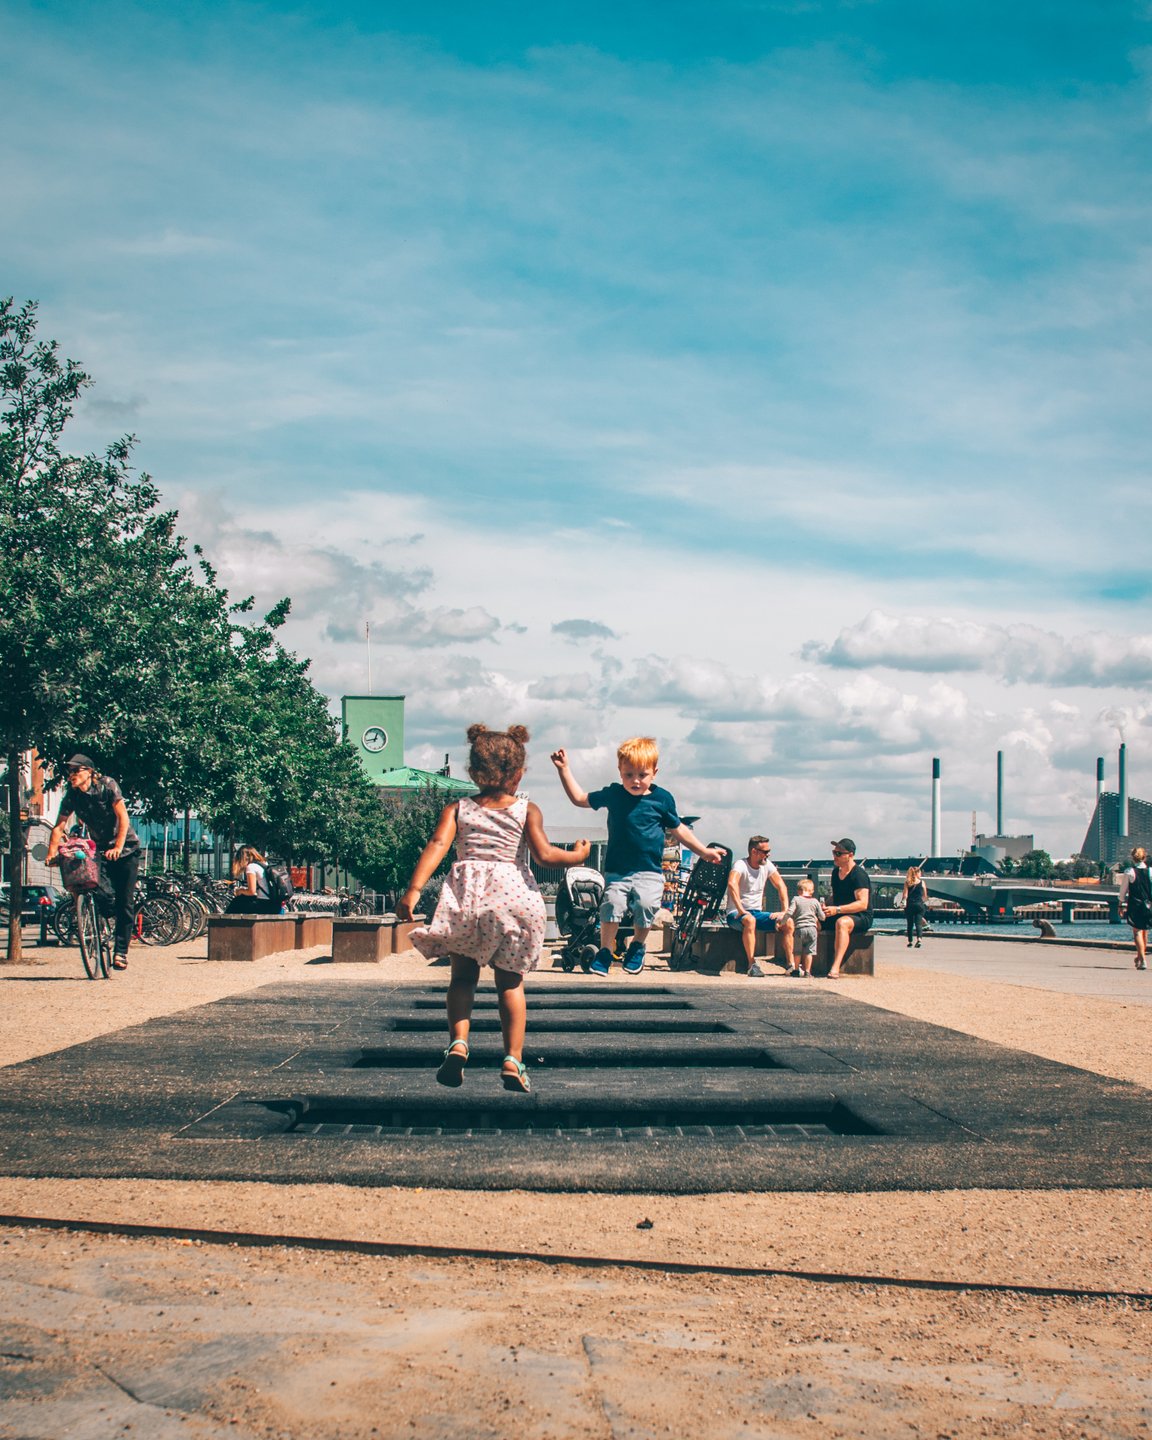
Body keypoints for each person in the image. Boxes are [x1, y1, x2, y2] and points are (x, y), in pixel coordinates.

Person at [398, 724, 590, 1093]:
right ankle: (512, 1059)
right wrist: (578, 855)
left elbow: (438, 844)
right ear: (518, 774)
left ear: (473, 773)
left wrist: (413, 890)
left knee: (462, 979)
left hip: (468, 900)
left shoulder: (458, 809)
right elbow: (545, 855)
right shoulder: (526, 809)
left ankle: (458, 1043)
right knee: (510, 984)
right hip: (512, 900)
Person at [550, 737, 724, 976]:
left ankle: (638, 947)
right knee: (611, 905)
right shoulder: (614, 794)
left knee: (646, 905)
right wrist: (564, 769)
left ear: (654, 773)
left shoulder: (662, 799)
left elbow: (679, 829)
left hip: (649, 870)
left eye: (642, 775)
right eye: (628, 775)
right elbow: (579, 798)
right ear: (620, 772)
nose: (635, 781)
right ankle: (604, 951)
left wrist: (704, 851)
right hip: (618, 869)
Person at [45, 755, 141, 971]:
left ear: (89, 771)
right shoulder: (72, 796)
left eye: (76, 771)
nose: (72, 776)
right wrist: (52, 853)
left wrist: (118, 846)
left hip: (127, 850)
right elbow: (59, 826)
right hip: (99, 849)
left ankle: (121, 952)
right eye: (69, 772)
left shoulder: (107, 785)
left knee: (124, 902)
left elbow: (123, 817)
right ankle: (104, 918)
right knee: (96, 887)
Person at [725, 835, 789, 975]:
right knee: (750, 920)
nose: (768, 854)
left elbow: (781, 885)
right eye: (765, 852)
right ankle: (752, 964)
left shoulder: (767, 865)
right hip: (736, 913)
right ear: (754, 852)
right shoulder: (740, 865)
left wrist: (784, 911)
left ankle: (791, 966)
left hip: (757, 912)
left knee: (787, 922)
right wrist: (741, 910)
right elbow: (732, 883)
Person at [821, 837, 872, 978]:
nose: (835, 856)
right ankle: (808, 962)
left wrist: (837, 910)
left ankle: (835, 966)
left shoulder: (858, 875)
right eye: (834, 852)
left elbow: (862, 903)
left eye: (839, 854)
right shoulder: (835, 873)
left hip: (861, 916)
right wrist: (824, 906)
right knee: (812, 920)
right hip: (839, 911)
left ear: (850, 855)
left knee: (842, 922)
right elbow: (835, 896)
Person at [773, 876, 826, 977]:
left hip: (799, 929)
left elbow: (789, 912)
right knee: (809, 951)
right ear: (811, 891)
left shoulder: (796, 899)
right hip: (812, 929)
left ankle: (796, 970)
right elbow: (822, 917)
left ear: (799, 891)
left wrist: (782, 922)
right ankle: (807, 971)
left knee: (797, 951)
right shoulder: (815, 901)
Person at [1119, 846, 1151, 971]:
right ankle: (1139, 957)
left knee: (1137, 931)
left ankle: (1142, 959)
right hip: (1148, 904)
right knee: (1145, 930)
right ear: (1144, 857)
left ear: (1133, 857)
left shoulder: (1129, 872)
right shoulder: (1151, 872)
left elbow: (1123, 890)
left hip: (1135, 904)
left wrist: (1120, 904)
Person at [228, 846, 279, 914]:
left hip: (264, 905)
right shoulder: (264, 864)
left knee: (236, 902)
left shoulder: (251, 867)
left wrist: (239, 891)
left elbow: (251, 891)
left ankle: (223, 923)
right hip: (274, 904)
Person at [902, 864, 928, 948]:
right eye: (920, 873)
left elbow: (905, 895)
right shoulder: (922, 882)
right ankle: (919, 940)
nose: (921, 874)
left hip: (909, 905)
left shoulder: (907, 882)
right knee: (918, 923)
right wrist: (921, 901)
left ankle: (910, 941)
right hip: (919, 905)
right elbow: (925, 896)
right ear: (917, 873)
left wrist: (903, 902)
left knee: (910, 924)